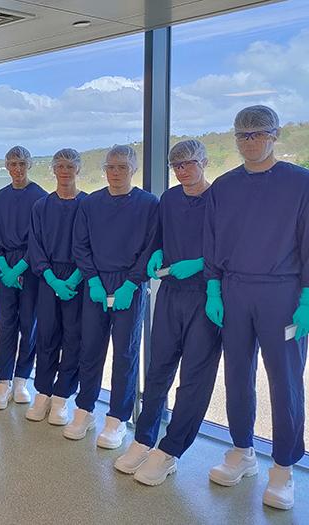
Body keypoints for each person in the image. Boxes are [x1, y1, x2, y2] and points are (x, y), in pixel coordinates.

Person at [203, 105, 309, 511]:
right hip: (234, 290)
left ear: (275, 135)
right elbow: (212, 242)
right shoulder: (224, 187)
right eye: (243, 136)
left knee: (285, 382)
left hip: (282, 293)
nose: (250, 142)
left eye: (259, 134)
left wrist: (306, 300)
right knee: (237, 376)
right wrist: (213, 288)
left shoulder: (300, 184)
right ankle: (242, 451)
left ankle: (283, 468)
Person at [114, 140, 221, 486]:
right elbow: (157, 237)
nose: (182, 171)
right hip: (171, 293)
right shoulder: (169, 199)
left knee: (194, 378)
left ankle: (170, 450)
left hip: (206, 295)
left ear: (204, 161)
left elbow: (231, 247)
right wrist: (155, 255)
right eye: (176, 165)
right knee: (158, 368)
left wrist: (203, 264)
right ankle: (144, 439)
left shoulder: (219, 200)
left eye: (189, 163)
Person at [66, 145, 158, 449]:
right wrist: (92, 280)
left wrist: (132, 283)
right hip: (96, 281)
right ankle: (85, 409)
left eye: (122, 167)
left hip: (128, 285)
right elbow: (80, 246)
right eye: (110, 167)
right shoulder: (91, 204)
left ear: (133, 168)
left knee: (126, 353)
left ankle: (117, 418)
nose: (115, 173)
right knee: (89, 348)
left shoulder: (148, 204)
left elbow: (151, 247)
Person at [25, 149, 86, 425]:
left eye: (70, 165)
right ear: (52, 169)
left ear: (78, 168)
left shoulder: (87, 205)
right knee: (46, 335)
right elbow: (35, 246)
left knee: (73, 337)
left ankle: (62, 396)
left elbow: (91, 246)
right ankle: (43, 392)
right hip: (49, 279)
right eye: (59, 165)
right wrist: (51, 279)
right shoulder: (41, 206)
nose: (64, 170)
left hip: (77, 279)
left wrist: (73, 279)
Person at [0, 146, 47, 409]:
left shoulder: (40, 198)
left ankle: (22, 378)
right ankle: (3, 381)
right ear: (6, 166)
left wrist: (20, 267)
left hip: (30, 268)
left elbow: (40, 240)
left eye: (22, 163)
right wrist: (3, 266)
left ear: (30, 164)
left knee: (29, 324)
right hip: (5, 268)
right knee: (6, 324)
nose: (17, 169)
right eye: (12, 163)